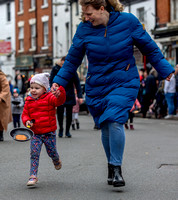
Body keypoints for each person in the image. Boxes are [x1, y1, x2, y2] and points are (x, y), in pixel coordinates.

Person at [51, 0, 175, 187]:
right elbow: (72, 60)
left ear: (102, 9)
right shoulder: (84, 29)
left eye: (89, 14)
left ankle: (116, 168)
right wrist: (58, 81)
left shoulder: (128, 22)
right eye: (83, 14)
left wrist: (166, 69)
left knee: (115, 119)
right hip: (97, 83)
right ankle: (111, 165)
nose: (85, 18)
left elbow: (149, 47)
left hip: (124, 80)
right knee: (106, 124)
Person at [21, 73, 66, 186]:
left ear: (44, 89)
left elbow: (59, 101)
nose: (33, 90)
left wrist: (60, 92)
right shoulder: (28, 101)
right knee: (34, 154)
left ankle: (56, 160)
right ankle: (33, 176)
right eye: (32, 88)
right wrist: (26, 121)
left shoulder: (49, 97)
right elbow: (25, 114)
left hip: (49, 133)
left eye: (37, 88)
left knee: (52, 152)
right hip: (35, 133)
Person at [50, 57, 83, 138]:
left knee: (69, 114)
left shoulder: (72, 70)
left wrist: (80, 96)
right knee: (60, 113)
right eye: (62, 64)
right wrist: (51, 91)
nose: (63, 65)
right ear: (60, 63)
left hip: (69, 94)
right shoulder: (55, 69)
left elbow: (77, 83)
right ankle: (61, 128)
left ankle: (67, 130)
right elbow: (51, 80)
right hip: (59, 93)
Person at [0, 69, 12, 141]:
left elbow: (5, 89)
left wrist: (1, 97)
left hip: (1, 100)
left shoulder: (2, 77)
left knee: (1, 118)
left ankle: (0, 134)